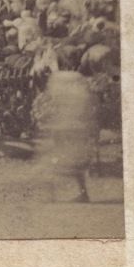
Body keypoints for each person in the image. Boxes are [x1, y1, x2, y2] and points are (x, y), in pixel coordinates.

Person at [41, 65, 99, 202]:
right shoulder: (79, 86)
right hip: (77, 128)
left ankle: (51, 194)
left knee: (54, 159)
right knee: (73, 163)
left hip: (65, 128)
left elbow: (54, 109)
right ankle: (82, 193)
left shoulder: (58, 83)